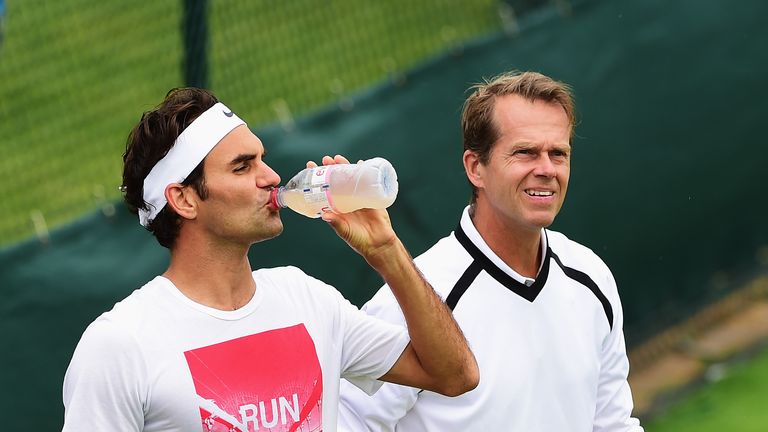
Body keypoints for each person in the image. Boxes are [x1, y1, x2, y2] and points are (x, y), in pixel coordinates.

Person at [62, 87, 478, 431]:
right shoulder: (119, 344)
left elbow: (455, 375)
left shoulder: (306, 297)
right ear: (184, 199)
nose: (272, 177)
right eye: (243, 168)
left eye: (261, 158)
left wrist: (387, 251)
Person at [338, 71, 644, 431]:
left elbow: (613, 424)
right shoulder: (409, 300)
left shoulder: (590, 276)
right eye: (525, 152)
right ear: (475, 168)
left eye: (558, 153)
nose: (546, 169)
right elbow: (349, 423)